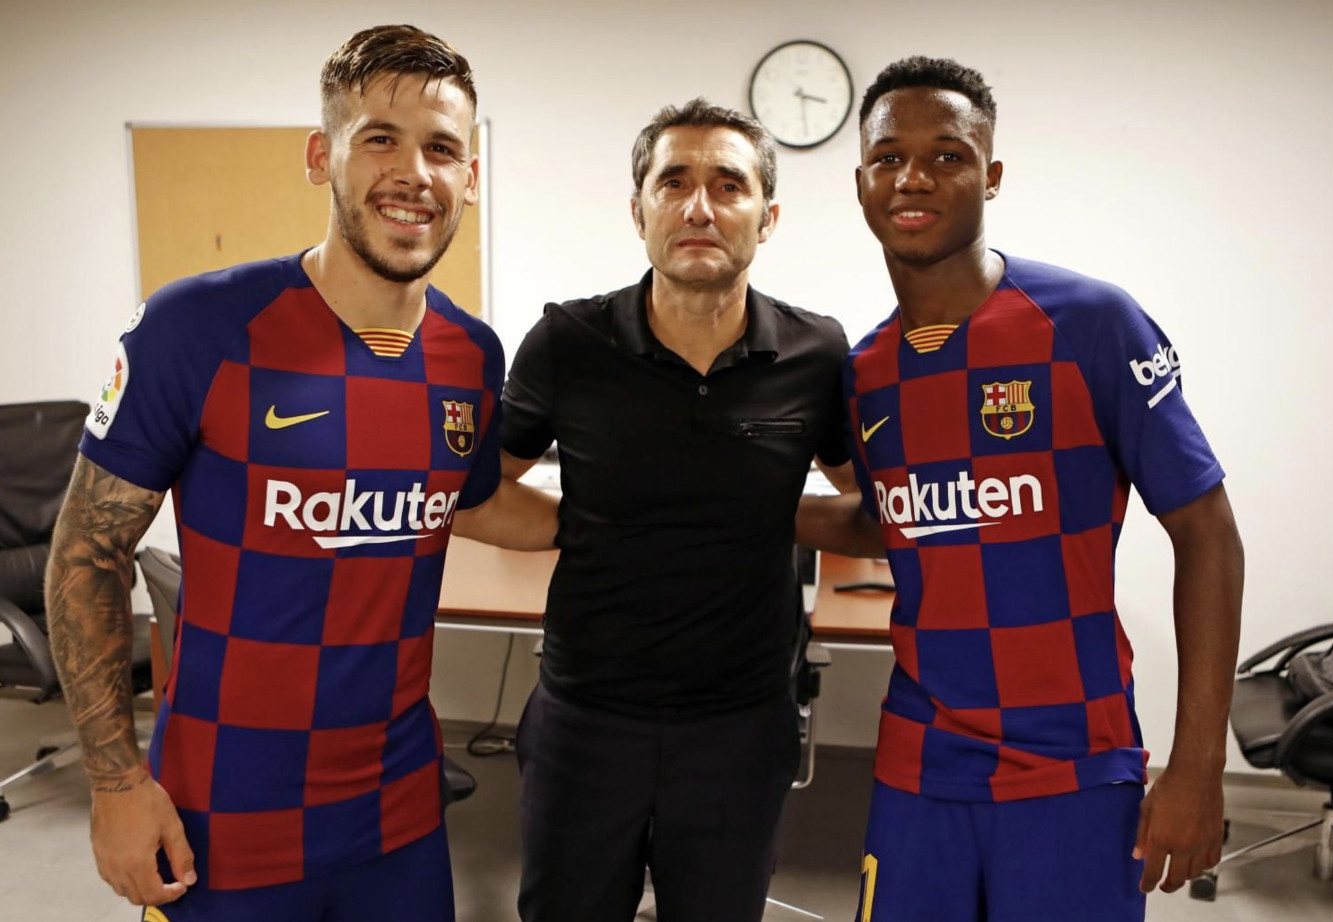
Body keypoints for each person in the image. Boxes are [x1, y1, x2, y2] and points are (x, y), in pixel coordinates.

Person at [44, 24, 555, 922]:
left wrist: (645, 514)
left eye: (442, 148)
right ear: (323, 156)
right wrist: (118, 784)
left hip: (400, 812)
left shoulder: (471, 355)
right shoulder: (198, 326)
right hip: (223, 813)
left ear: (471, 177)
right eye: (379, 139)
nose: (414, 173)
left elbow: (474, 503)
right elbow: (87, 551)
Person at [836, 56, 1245, 921]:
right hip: (920, 759)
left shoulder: (1089, 322)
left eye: (946, 155)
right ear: (862, 181)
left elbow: (1208, 532)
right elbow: (891, 522)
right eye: (888, 157)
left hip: (1075, 759)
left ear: (992, 174)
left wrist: (1199, 763)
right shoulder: (864, 369)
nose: (913, 176)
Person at [500, 98, 855, 922]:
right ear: (639, 210)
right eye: (675, 182)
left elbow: (870, 503)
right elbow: (480, 490)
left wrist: (763, 514)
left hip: (741, 725)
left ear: (766, 219)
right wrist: (592, 519)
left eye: (728, 185)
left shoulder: (816, 352)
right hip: (585, 719)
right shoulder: (568, 342)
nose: (699, 206)